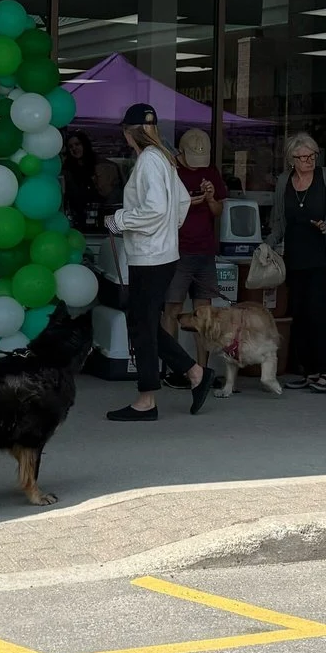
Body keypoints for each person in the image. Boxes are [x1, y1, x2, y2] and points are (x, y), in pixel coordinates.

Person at [104, 104, 209, 420]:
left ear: (127, 132)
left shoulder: (149, 160)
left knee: (143, 328)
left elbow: (154, 210)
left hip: (149, 256)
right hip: (162, 253)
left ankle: (147, 399)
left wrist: (118, 220)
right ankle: (194, 373)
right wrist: (167, 232)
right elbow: (179, 203)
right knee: (144, 323)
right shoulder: (164, 158)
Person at [271, 131, 326, 392]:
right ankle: (309, 371)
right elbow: (279, 220)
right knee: (300, 316)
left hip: (322, 260)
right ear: (291, 159)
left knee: (318, 316)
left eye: (312, 155)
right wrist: (268, 245)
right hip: (294, 259)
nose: (308, 160)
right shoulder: (284, 181)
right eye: (303, 157)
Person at [166, 125, 227, 366]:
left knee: (205, 314)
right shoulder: (171, 170)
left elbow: (219, 211)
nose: (197, 165)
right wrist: (185, 203)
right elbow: (159, 212)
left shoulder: (210, 171)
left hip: (205, 251)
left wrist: (211, 198)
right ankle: (173, 367)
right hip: (177, 251)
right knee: (172, 309)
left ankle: (202, 368)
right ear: (181, 152)